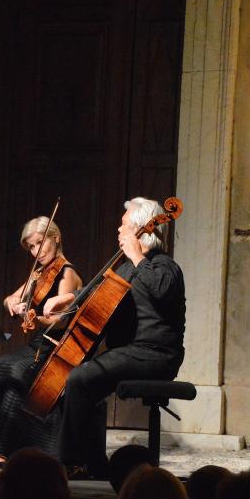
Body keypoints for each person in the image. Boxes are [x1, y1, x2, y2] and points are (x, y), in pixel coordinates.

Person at [43, 196, 186, 475]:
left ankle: (70, 462)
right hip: (130, 352)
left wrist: (136, 255)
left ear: (139, 229)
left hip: (156, 354)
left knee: (82, 377)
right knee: (84, 382)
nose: (118, 231)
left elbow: (161, 290)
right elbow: (100, 296)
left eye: (123, 226)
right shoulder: (126, 267)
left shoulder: (164, 266)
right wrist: (69, 301)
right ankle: (94, 463)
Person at [0, 216, 82, 462]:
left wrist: (37, 318)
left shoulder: (67, 274)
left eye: (40, 243)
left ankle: (5, 448)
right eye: (31, 246)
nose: (36, 252)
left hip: (57, 349)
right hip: (38, 345)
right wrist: (15, 305)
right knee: (0, 365)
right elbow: (10, 298)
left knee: (16, 369)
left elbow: (58, 321)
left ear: (56, 238)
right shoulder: (39, 273)